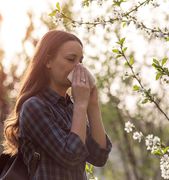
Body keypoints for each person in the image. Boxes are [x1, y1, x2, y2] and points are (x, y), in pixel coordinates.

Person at [2, 30, 112, 180]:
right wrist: (80, 105)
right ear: (48, 61)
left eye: (81, 61)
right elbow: (71, 155)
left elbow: (99, 157)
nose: (79, 67)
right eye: (71, 59)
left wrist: (92, 106)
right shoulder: (34, 107)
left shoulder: (70, 107)